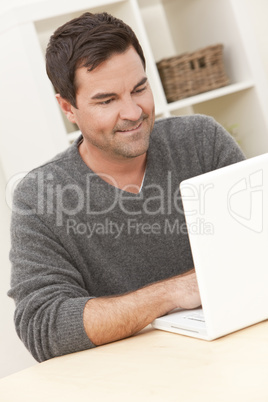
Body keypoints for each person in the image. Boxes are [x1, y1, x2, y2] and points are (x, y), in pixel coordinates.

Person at [8, 12, 245, 362]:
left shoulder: (201, 141)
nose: (133, 112)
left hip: (237, 349)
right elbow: (44, 326)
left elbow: (256, 249)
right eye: (107, 101)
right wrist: (172, 293)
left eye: (139, 89)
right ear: (67, 107)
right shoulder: (40, 196)